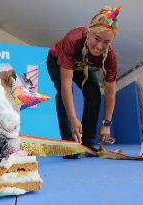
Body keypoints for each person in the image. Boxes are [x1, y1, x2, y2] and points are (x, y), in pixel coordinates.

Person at [47, 5, 121, 158]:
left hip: (83, 68)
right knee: (63, 90)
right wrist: (73, 119)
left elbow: (110, 92)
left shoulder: (110, 57)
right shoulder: (73, 40)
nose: (100, 46)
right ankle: (69, 144)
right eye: (97, 39)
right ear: (89, 33)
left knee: (94, 94)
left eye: (106, 42)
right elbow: (66, 84)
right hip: (57, 61)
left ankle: (87, 143)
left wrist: (106, 124)